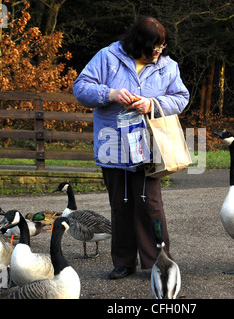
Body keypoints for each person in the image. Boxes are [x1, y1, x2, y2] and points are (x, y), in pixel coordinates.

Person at [73, 16, 190, 279]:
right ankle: (124, 262)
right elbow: (80, 88)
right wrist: (110, 94)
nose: (159, 53)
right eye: (154, 47)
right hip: (112, 145)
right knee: (121, 204)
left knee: (151, 204)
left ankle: (159, 263)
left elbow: (181, 98)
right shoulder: (107, 57)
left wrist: (152, 104)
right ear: (138, 43)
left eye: (162, 47)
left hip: (150, 146)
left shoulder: (168, 66)